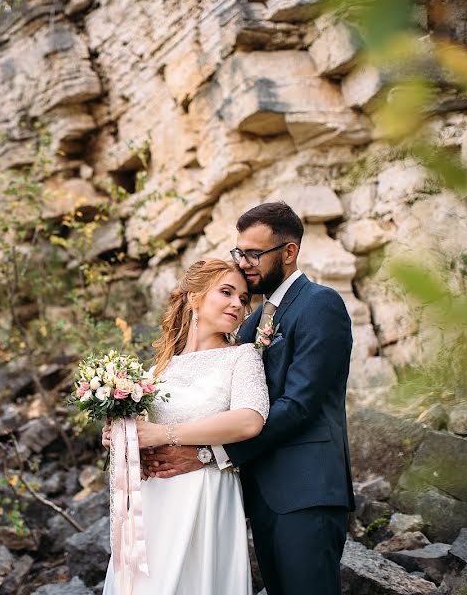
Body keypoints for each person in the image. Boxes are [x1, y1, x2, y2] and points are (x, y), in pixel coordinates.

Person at [142, 202, 354, 595]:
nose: (244, 262)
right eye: (239, 252)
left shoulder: (320, 304)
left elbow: (300, 405)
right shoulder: (251, 323)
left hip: (307, 488)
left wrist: (210, 453)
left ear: (289, 252)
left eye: (254, 254)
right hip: (255, 492)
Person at [101, 258, 270, 595]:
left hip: (205, 494)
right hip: (155, 500)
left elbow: (250, 420)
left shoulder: (242, 356)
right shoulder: (159, 370)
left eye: (243, 298)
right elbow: (140, 432)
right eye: (226, 292)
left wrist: (165, 435)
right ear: (194, 297)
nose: (237, 304)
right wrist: (119, 436)